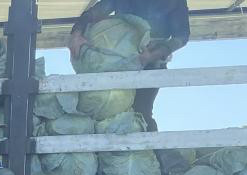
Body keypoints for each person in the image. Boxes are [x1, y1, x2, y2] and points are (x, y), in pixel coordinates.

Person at [69, 0, 191, 130]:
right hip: (115, 63)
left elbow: (181, 36)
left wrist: (153, 54)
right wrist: (76, 33)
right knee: (102, 107)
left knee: (142, 112)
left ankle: (150, 147)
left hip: (150, 63)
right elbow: (93, 13)